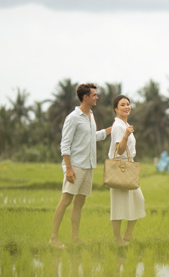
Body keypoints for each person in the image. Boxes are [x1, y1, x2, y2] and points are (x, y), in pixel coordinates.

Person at [49, 83, 112, 248]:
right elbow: (65, 144)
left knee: (80, 202)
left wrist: (112, 129)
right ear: (86, 97)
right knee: (65, 200)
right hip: (75, 166)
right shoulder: (73, 117)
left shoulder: (91, 115)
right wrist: (68, 168)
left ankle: (75, 238)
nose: (97, 97)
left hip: (89, 165)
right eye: (94, 95)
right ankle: (53, 238)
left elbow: (93, 137)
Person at [108, 95, 146, 246]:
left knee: (138, 200)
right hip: (120, 166)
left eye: (128, 104)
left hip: (128, 165)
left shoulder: (125, 124)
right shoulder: (118, 126)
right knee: (118, 204)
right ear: (116, 109)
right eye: (122, 105)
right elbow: (120, 149)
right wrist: (126, 135)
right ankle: (118, 239)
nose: (126, 107)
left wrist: (127, 132)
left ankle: (127, 236)